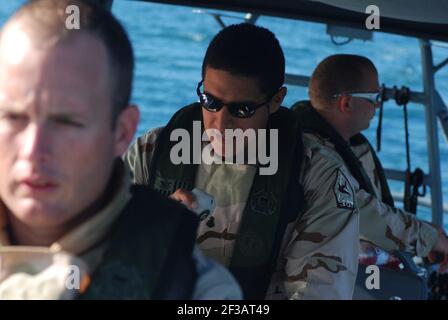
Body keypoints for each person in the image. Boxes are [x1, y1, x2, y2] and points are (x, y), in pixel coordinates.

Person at [0, 0, 241, 299]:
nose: (34, 151)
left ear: (122, 132)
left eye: (67, 122)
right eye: (12, 117)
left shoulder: (196, 289)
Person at [125, 23, 360, 299]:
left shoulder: (317, 180)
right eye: (210, 101)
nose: (221, 124)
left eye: (242, 109)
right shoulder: (151, 153)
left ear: (276, 100)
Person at [292, 54, 448, 271]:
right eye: (374, 97)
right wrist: (428, 238)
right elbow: (361, 214)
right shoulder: (315, 156)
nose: (377, 106)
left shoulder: (340, 145)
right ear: (346, 103)